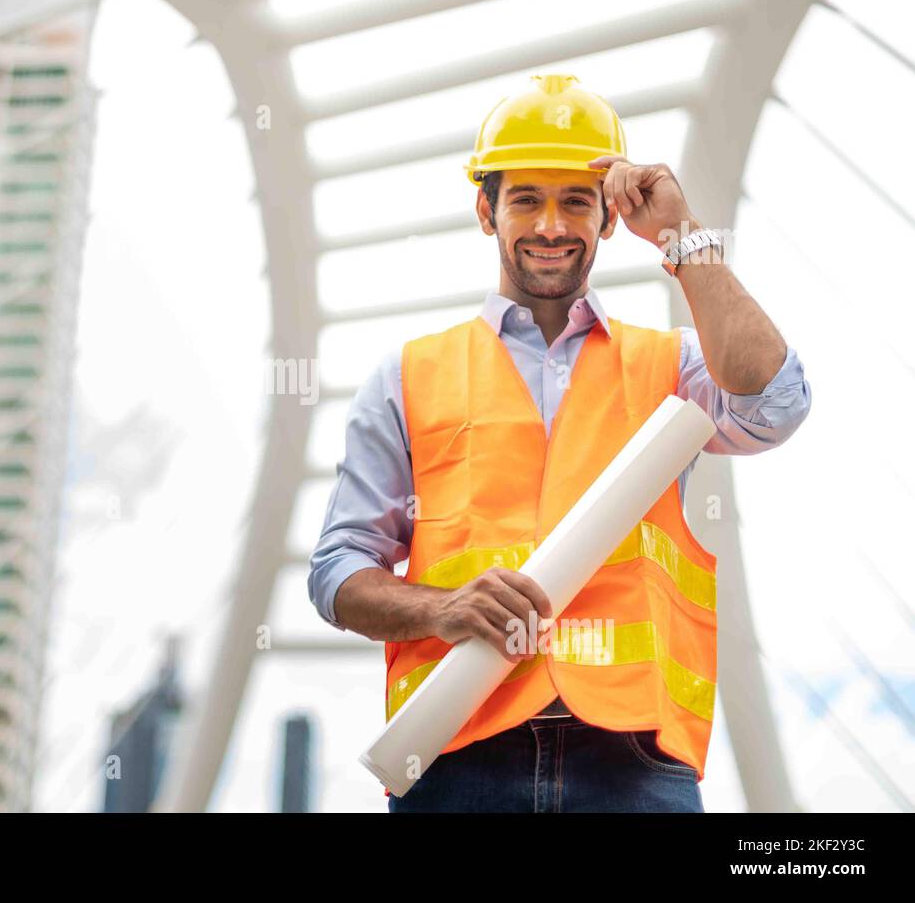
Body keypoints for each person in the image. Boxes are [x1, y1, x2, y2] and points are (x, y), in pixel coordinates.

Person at [307, 74, 812, 812]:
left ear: (609, 218)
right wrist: (440, 607)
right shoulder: (408, 376)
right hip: (457, 755)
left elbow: (776, 404)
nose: (551, 225)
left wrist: (681, 233)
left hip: (635, 764)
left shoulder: (672, 367)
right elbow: (337, 572)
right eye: (525, 199)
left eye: (577, 200)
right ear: (487, 210)